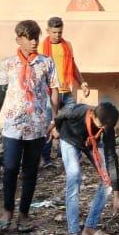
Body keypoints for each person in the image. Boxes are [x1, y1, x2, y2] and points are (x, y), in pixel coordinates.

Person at [0, 20, 60, 233]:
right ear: (18, 39)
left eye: (36, 37)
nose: (34, 41)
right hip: (12, 126)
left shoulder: (46, 63)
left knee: (30, 171)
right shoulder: (8, 64)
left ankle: (24, 216)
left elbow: (54, 89)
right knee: (9, 168)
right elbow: (0, 91)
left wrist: (56, 119)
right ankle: (7, 212)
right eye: (29, 37)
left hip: (37, 126)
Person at [54, 101, 119, 235]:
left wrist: (117, 195)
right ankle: (73, 232)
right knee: (74, 175)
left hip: (91, 142)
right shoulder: (80, 111)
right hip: (70, 139)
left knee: (107, 180)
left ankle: (89, 229)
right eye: (101, 126)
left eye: (106, 128)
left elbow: (111, 157)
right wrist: (56, 128)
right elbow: (61, 115)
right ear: (92, 115)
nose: (103, 129)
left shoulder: (106, 126)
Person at [38, 16, 91, 168]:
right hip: (49, 93)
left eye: (60, 32)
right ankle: (45, 159)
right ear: (48, 31)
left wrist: (82, 83)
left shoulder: (67, 45)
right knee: (48, 125)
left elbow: (73, 66)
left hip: (66, 91)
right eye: (54, 32)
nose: (57, 35)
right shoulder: (41, 47)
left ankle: (71, 157)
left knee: (71, 124)